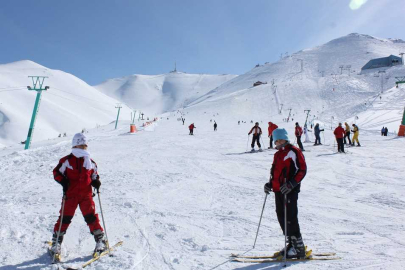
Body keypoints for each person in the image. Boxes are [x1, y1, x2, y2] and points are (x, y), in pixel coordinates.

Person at [50, 133, 106, 258]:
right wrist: (63, 181)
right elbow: (56, 172)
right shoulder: (67, 161)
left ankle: (100, 240)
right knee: (64, 218)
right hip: (70, 195)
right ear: (75, 145)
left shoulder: (90, 162)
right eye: (81, 146)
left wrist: (96, 181)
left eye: (85, 146)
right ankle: (56, 243)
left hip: (86, 195)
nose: (84, 148)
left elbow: (94, 175)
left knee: (91, 218)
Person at [263, 128, 307, 259]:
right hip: (278, 190)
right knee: (281, 216)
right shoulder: (277, 154)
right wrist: (270, 184)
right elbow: (275, 172)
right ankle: (291, 243)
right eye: (275, 140)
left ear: (284, 139)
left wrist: (292, 184)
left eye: (279, 140)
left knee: (290, 217)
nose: (277, 142)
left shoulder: (294, 151)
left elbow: (302, 170)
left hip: (289, 191)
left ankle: (299, 248)